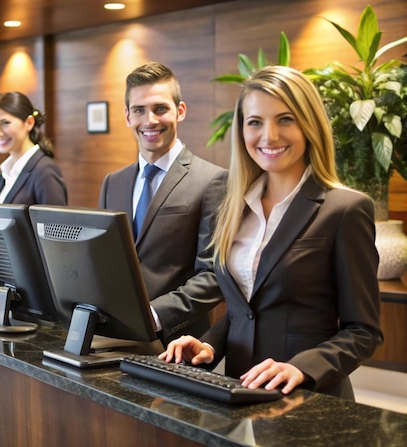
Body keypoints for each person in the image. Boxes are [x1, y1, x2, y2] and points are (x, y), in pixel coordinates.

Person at [159, 65, 383, 399]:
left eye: (285, 119)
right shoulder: (232, 205)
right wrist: (208, 345)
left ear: (309, 124)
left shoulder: (346, 209)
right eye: (255, 122)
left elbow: (364, 331)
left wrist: (302, 367)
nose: (269, 136)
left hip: (310, 399)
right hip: (239, 393)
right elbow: (246, 311)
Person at [99, 62, 227, 345]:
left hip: (178, 341)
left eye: (160, 108)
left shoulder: (213, 180)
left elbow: (213, 276)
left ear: (180, 111)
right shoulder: (112, 183)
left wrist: (155, 315)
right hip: (110, 337)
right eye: (139, 110)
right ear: (127, 115)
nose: (150, 121)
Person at [0, 91, 67, 284]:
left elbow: (55, 243)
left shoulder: (44, 171)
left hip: (35, 288)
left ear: (29, 123)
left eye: (5, 123)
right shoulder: (8, 171)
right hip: (10, 285)